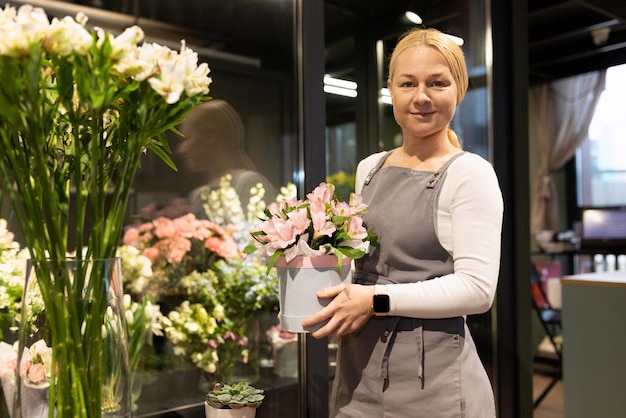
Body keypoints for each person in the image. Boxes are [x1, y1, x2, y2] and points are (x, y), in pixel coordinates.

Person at [302, 28, 504, 417]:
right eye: (408, 83)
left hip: (434, 386)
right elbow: (366, 266)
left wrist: (375, 301)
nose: (422, 96)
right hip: (358, 375)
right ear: (391, 89)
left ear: (458, 90)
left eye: (437, 83)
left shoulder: (470, 174)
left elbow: (477, 290)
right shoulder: (370, 168)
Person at [178, 99, 278, 218]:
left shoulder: (249, 185)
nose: (182, 150)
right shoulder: (197, 196)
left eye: (187, 139)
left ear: (211, 135)